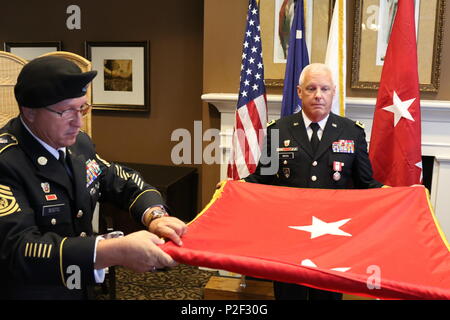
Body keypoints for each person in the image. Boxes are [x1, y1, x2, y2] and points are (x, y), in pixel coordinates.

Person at [0, 56, 187, 299]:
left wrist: (156, 216)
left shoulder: (78, 145)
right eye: (65, 111)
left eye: (82, 108)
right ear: (30, 112)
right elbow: (18, 250)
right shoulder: (7, 162)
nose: (78, 122)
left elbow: (122, 180)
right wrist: (110, 252)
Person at [244, 63, 385, 300]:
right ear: (299, 92)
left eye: (324, 89)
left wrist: (396, 193)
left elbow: (365, 182)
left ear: (333, 92)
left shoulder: (352, 132)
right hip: (290, 232)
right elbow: (263, 178)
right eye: (311, 88)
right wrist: (234, 187)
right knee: (289, 294)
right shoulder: (279, 129)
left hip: (332, 233)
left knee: (327, 296)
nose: (318, 95)